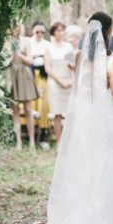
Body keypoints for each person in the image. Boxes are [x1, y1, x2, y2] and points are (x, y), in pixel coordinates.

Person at [33, 12, 113, 224]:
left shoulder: (78, 56)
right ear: (108, 33)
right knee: (108, 161)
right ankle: (106, 221)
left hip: (85, 119)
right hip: (106, 117)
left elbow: (80, 91)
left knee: (86, 162)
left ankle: (80, 213)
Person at [8, 24, 38, 151]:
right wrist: (10, 55)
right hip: (11, 75)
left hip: (24, 74)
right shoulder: (6, 41)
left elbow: (30, 61)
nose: (15, 28)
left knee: (27, 109)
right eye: (13, 26)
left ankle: (31, 140)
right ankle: (18, 141)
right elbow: (4, 61)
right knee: (14, 110)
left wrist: (18, 54)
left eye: (17, 26)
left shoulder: (26, 40)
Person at [44, 22, 75, 147]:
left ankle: (70, 142)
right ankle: (59, 142)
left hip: (68, 82)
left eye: (63, 31)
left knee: (70, 113)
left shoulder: (68, 47)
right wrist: (60, 80)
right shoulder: (49, 48)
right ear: (53, 33)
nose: (61, 33)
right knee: (57, 113)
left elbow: (73, 65)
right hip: (55, 83)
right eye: (58, 31)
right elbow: (48, 68)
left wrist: (72, 79)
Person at [28, 21, 51, 150]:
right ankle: (31, 133)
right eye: (37, 31)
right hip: (30, 75)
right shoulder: (28, 43)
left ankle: (43, 131)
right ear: (32, 31)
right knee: (31, 103)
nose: (40, 34)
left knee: (43, 103)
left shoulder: (47, 44)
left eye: (42, 32)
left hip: (43, 76)